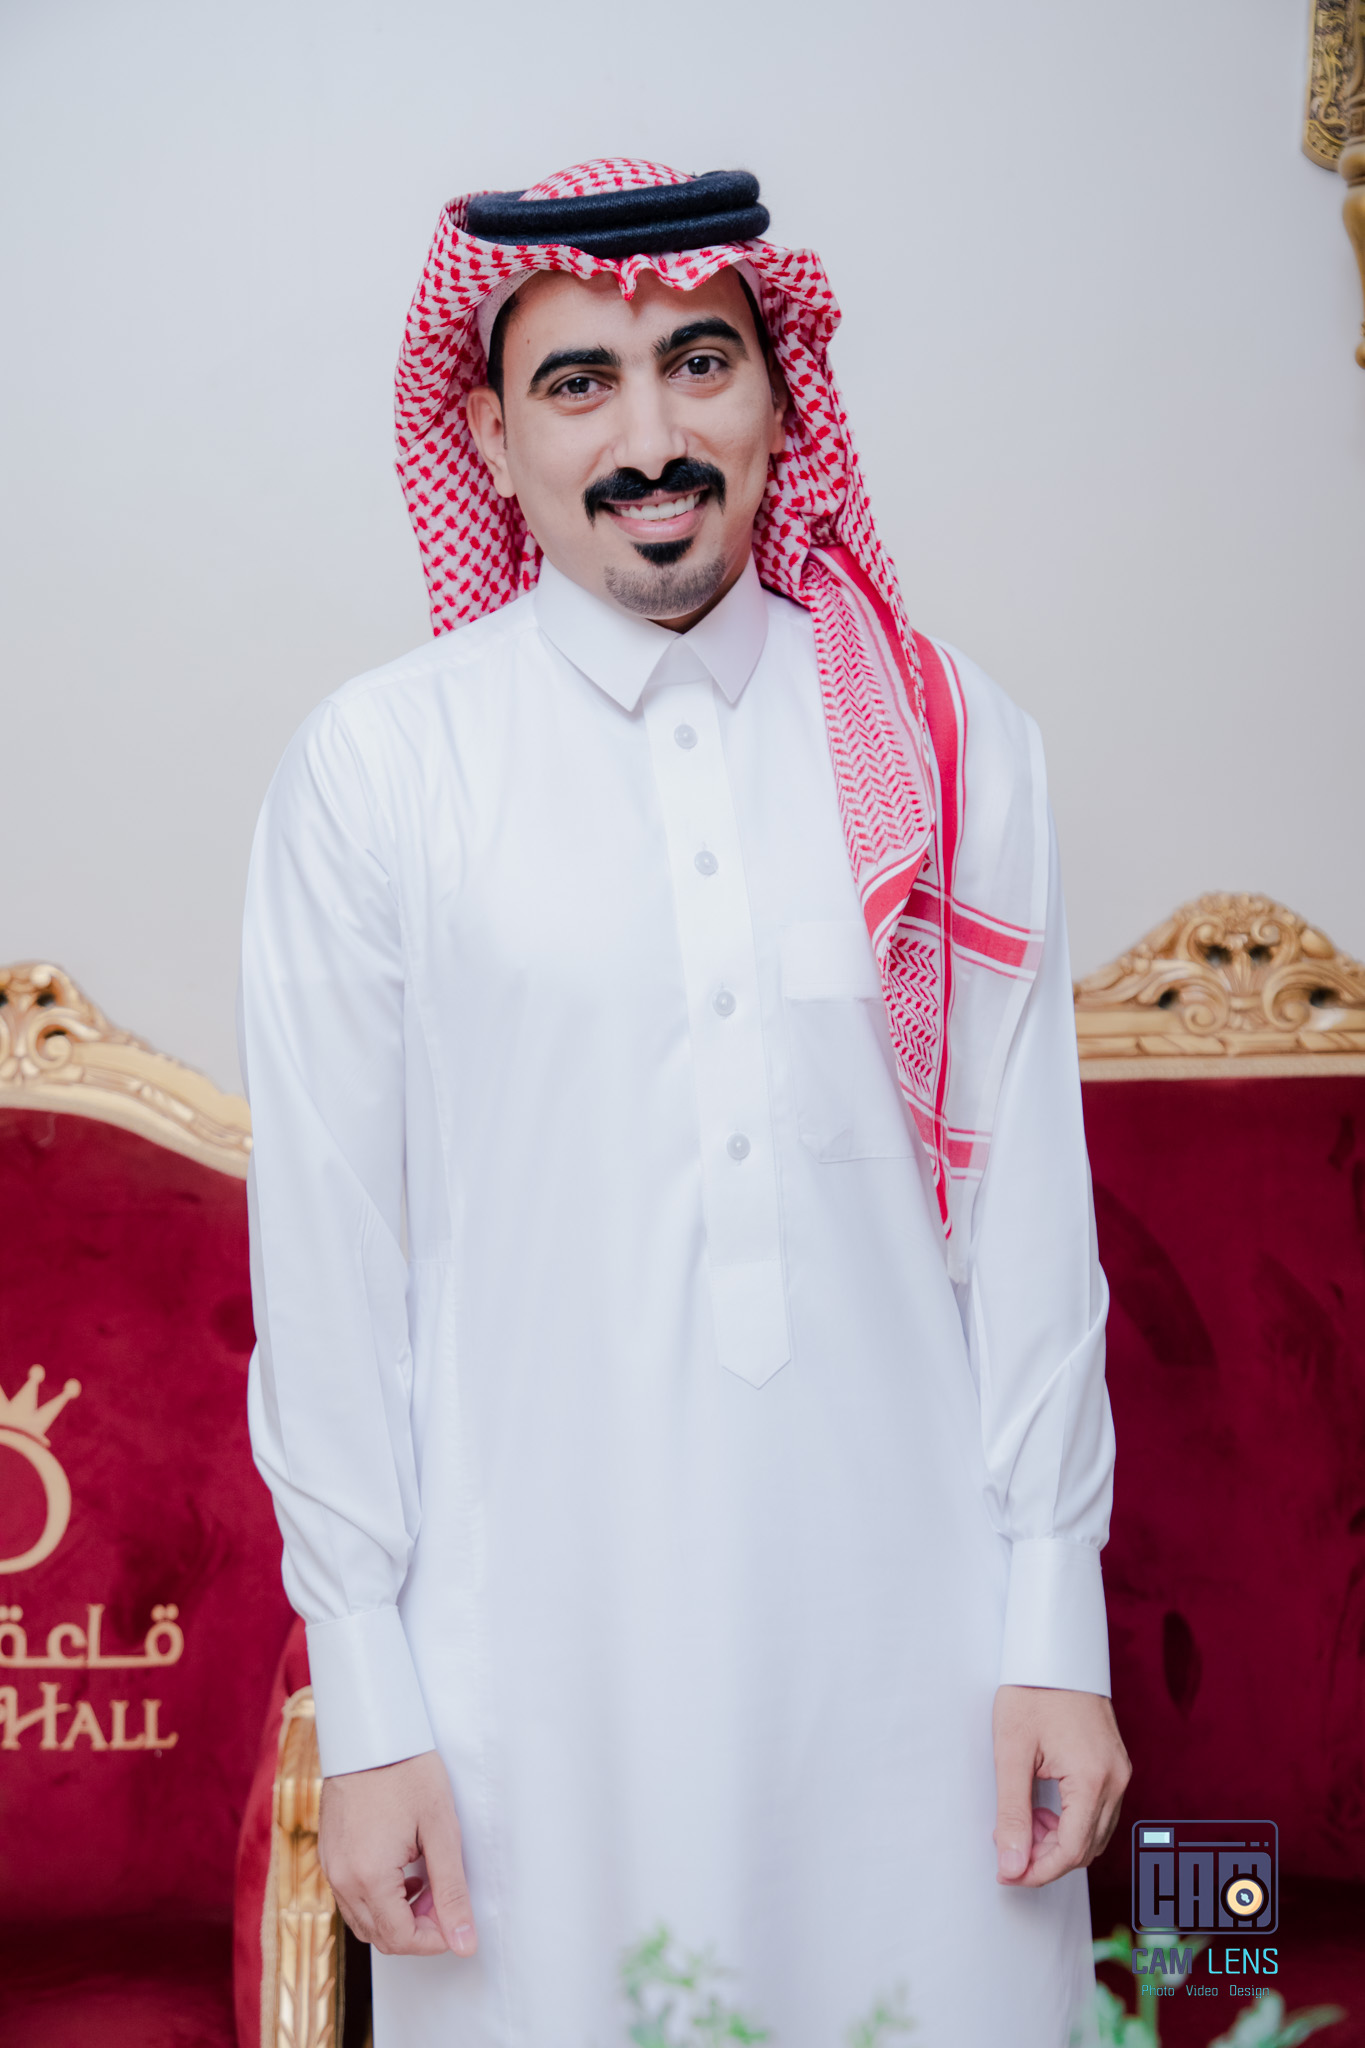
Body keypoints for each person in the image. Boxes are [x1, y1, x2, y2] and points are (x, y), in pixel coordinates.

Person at [239, 160, 1129, 2048]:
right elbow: (328, 1271)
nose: (648, 439)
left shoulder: (947, 737)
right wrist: (371, 1698)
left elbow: (1029, 1226)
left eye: (698, 366)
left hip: (919, 1673)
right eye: (579, 383)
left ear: (782, 400)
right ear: (488, 439)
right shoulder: (380, 769)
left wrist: (1054, 1629)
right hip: (527, 1699)